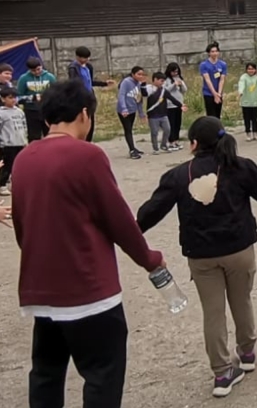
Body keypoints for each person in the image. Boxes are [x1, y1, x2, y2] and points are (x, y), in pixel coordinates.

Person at [11, 79, 164, 408]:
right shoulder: (87, 156)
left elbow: (22, 227)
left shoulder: (23, 159)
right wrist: (149, 258)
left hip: (42, 293)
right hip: (89, 292)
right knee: (102, 376)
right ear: (84, 114)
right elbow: (118, 220)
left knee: (46, 374)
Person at [136, 117, 257, 398]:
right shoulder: (241, 166)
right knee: (242, 300)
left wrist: (128, 233)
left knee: (213, 311)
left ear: (193, 144)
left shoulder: (180, 175)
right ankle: (248, 351)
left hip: (202, 255)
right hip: (239, 248)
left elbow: (149, 214)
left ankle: (221, 372)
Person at [67, 46, 116, 142]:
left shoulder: (89, 66)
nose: (86, 60)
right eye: (84, 58)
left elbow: (90, 82)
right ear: (77, 57)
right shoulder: (73, 68)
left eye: (87, 58)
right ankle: (80, 142)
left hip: (89, 97)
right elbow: (73, 84)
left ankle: (88, 142)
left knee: (91, 122)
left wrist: (104, 83)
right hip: (80, 99)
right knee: (82, 121)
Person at [142, 72, 189, 154]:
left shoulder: (164, 91)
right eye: (161, 81)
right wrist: (142, 84)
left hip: (163, 114)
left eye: (163, 81)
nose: (162, 83)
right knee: (154, 132)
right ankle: (155, 148)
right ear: (155, 79)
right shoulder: (150, 88)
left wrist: (180, 105)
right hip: (153, 116)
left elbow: (172, 99)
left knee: (167, 130)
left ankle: (163, 145)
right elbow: (144, 93)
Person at [16, 57, 57, 142]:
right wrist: (33, 98)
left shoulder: (50, 77)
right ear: (29, 70)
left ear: (41, 66)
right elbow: (18, 97)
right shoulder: (23, 79)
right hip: (31, 111)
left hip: (47, 110)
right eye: (33, 71)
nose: (37, 72)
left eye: (38, 69)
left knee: (50, 135)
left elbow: (56, 92)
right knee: (34, 136)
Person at [0, 87, 27, 195]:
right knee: (7, 165)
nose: (13, 100)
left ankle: (15, 183)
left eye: (15, 98)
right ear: (3, 99)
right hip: (7, 144)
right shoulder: (1, 113)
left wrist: (25, 140)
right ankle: (2, 184)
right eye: (10, 98)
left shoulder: (20, 111)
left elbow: (24, 126)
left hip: (20, 142)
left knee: (19, 164)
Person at [116, 67, 147, 160]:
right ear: (133, 74)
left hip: (133, 110)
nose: (141, 76)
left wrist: (141, 113)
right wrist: (124, 109)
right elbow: (121, 95)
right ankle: (132, 150)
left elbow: (139, 99)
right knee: (128, 129)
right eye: (139, 74)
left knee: (130, 129)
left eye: (142, 74)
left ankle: (133, 147)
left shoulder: (139, 84)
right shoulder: (126, 82)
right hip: (124, 111)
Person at [238, 63, 257, 142]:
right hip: (245, 103)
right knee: (247, 119)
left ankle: (255, 133)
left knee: (254, 119)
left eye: (252, 69)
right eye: (249, 69)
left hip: (254, 102)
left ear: (255, 70)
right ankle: (248, 134)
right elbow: (241, 85)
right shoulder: (243, 77)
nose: (250, 70)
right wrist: (240, 91)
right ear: (246, 70)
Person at [200, 42, 227, 118]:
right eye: (212, 51)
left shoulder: (222, 64)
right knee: (211, 115)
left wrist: (219, 93)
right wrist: (214, 94)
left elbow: (222, 79)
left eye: (216, 51)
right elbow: (207, 80)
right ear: (209, 53)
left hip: (219, 92)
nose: (215, 53)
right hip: (208, 93)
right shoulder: (204, 65)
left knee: (217, 114)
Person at [164, 62, 187, 149]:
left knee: (178, 123)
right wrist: (174, 84)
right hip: (170, 105)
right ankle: (171, 141)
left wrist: (181, 84)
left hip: (179, 104)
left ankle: (176, 140)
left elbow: (184, 90)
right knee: (171, 124)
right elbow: (165, 90)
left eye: (177, 72)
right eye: (173, 72)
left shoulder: (179, 78)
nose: (175, 73)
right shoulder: (166, 80)